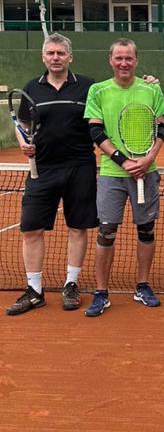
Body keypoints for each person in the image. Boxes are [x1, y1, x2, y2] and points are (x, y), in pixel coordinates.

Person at [6, 32, 98, 315]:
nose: (56, 58)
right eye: (51, 53)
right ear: (43, 57)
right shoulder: (31, 87)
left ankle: (71, 284)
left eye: (60, 53)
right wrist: (22, 141)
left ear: (70, 56)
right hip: (42, 170)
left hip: (80, 166)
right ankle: (34, 290)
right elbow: (21, 123)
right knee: (31, 229)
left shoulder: (88, 87)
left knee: (77, 228)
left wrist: (149, 83)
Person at [83, 38, 164, 316]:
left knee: (146, 229)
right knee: (106, 231)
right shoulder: (98, 91)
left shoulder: (151, 89)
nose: (123, 63)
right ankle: (101, 292)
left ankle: (142, 285)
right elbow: (96, 132)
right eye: (119, 58)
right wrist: (123, 161)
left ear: (136, 60)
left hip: (146, 170)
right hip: (111, 173)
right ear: (110, 60)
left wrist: (147, 159)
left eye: (128, 58)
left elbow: (161, 131)